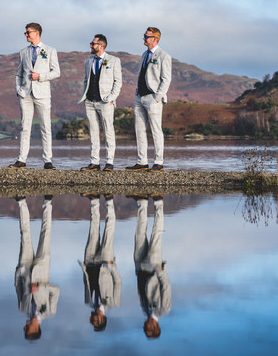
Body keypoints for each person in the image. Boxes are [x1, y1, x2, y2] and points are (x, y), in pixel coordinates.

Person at [9, 23, 61, 170]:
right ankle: (21, 160)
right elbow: (18, 74)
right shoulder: (23, 52)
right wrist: (19, 90)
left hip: (43, 94)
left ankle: (47, 160)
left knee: (46, 127)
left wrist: (40, 76)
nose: (26, 35)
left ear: (37, 33)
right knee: (24, 127)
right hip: (25, 94)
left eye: (28, 32)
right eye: (25, 33)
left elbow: (56, 72)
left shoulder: (50, 50)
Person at [14, 195, 60, 340]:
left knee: (24, 235)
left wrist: (19, 270)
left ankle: (21, 202)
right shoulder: (50, 311)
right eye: (27, 329)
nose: (25, 327)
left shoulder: (22, 308)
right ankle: (47, 201)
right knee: (45, 233)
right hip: (42, 269)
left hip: (25, 268)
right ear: (35, 329)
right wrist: (40, 287)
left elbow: (18, 287)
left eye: (25, 329)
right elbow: (56, 291)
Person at [126, 27, 172, 172]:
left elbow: (166, 79)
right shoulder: (144, 54)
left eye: (146, 36)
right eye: (144, 36)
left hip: (153, 98)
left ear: (155, 39)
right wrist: (137, 94)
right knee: (139, 130)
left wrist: (157, 97)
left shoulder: (164, 56)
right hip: (139, 97)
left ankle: (158, 162)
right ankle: (142, 162)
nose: (144, 38)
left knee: (156, 130)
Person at [78, 35, 122, 172]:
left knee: (109, 131)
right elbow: (86, 80)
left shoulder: (114, 60)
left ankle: (109, 162)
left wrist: (111, 98)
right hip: (90, 101)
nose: (91, 46)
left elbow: (118, 82)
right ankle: (94, 162)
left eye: (93, 44)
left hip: (105, 102)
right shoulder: (88, 61)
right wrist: (85, 96)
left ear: (101, 45)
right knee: (93, 132)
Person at [79, 194, 121, 332]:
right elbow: (118, 282)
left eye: (92, 322)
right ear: (102, 319)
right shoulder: (114, 302)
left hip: (90, 261)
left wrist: (84, 268)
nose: (92, 320)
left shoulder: (88, 301)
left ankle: (94, 200)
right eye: (95, 322)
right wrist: (112, 266)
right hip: (105, 262)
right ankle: (109, 201)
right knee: (109, 230)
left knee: (93, 229)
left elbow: (86, 283)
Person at [132, 195, 171, 338]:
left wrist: (137, 271)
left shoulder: (145, 310)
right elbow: (166, 287)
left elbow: (141, 290)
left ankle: (142, 202)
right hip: (154, 268)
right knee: (156, 234)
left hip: (140, 267)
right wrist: (159, 270)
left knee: (139, 234)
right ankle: (158, 202)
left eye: (145, 329)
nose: (144, 326)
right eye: (147, 329)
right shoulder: (163, 309)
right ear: (155, 327)